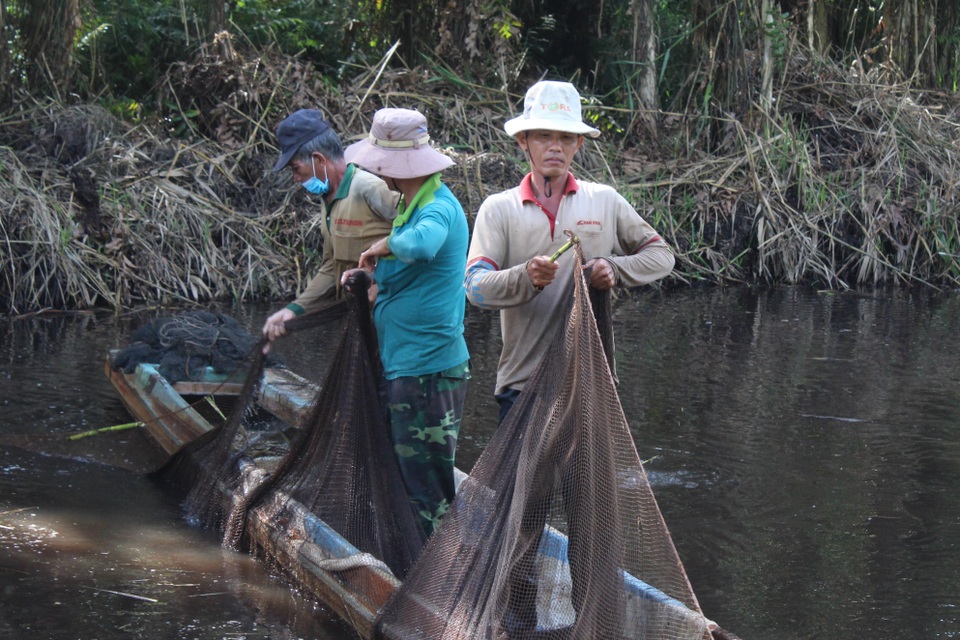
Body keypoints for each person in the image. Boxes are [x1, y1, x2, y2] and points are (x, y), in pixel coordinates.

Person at [464, 80, 675, 423]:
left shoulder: (604, 200)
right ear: (524, 141)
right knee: (523, 478)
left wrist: (613, 268)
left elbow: (662, 256)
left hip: (587, 384)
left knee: (579, 479)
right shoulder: (499, 208)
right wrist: (525, 277)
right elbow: (475, 288)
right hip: (522, 385)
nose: (555, 147)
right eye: (543, 136)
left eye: (565, 138)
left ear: (578, 143)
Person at [341, 108, 470, 537]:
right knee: (407, 478)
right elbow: (406, 274)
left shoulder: (436, 207)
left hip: (427, 371)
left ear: (394, 168)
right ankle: (418, 570)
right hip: (405, 366)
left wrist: (382, 243)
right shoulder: (408, 205)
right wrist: (372, 280)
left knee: (426, 489)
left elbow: (420, 247)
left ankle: (440, 583)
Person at [261, 109, 398, 341]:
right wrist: (293, 310)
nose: (296, 178)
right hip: (361, 327)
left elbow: (420, 241)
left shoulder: (370, 188)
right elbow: (330, 268)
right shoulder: (328, 201)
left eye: (296, 169)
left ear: (318, 160)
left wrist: (381, 281)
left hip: (393, 325)